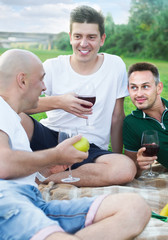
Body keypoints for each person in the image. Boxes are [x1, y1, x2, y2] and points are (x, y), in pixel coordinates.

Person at [0, 49, 151, 239]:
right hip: (7, 201)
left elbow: (14, 169)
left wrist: (48, 169)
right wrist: (56, 154)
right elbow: (4, 165)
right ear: (22, 81)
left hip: (34, 202)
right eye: (41, 79)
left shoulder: (10, 116)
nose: (45, 87)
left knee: (135, 208)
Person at [20, 5, 136, 187]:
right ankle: (47, 163)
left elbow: (117, 117)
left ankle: (44, 176)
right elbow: (19, 105)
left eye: (91, 37)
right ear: (70, 38)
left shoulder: (115, 66)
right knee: (13, 117)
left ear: (102, 39)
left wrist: (117, 154)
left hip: (89, 147)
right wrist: (59, 102)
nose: (83, 43)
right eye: (78, 36)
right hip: (51, 137)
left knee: (125, 169)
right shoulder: (52, 66)